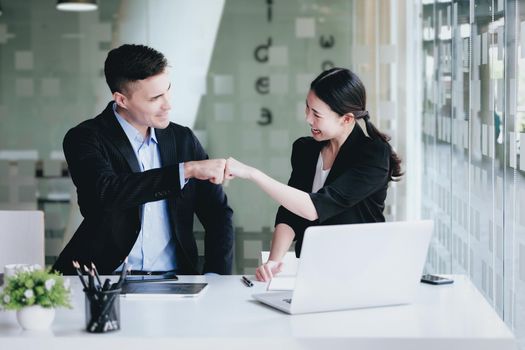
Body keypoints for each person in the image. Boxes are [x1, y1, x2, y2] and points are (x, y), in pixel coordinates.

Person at [53, 44, 234, 275]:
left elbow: (218, 213)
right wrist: (185, 171)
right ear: (122, 100)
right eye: (155, 98)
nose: (168, 104)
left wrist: (216, 276)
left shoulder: (183, 139)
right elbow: (105, 193)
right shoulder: (85, 138)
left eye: (168, 90)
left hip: (175, 278)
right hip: (102, 280)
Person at [225, 68, 402, 281]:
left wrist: (251, 173)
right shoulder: (305, 150)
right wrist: (274, 261)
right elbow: (291, 212)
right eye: (307, 108)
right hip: (313, 269)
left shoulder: (373, 154)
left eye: (317, 114)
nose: (308, 119)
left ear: (346, 119)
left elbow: (314, 208)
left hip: (361, 273)